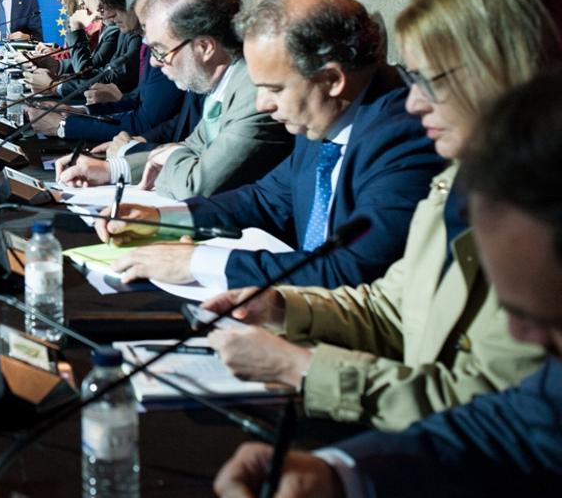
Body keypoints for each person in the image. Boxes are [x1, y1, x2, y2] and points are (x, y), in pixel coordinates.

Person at [200, 0, 558, 433]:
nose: (413, 102)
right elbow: (392, 306)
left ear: (502, 73)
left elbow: (498, 409)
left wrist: (302, 370)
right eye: (413, 79)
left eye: (430, 81)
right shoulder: (458, 180)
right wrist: (284, 306)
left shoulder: (538, 214)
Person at [213, 72, 562, 498]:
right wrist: (335, 474)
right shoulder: (456, 184)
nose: (519, 334)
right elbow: (512, 424)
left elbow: (488, 401)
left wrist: (302, 368)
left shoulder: (407, 144)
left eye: (543, 318)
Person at [97, 0, 443, 290]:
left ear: (331, 80)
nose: (263, 104)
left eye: (274, 89)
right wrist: (162, 220)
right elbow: (265, 199)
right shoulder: (323, 113)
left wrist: (196, 262)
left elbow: (351, 269)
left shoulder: (407, 137)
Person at [58, 0, 292, 199]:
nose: (154, 62)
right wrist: (111, 169)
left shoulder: (253, 93)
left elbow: (196, 184)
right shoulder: (221, 81)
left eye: (161, 50)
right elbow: (191, 147)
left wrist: (170, 157)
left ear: (204, 47)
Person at [29, 0, 186, 143]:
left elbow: (145, 121)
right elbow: (138, 101)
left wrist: (62, 126)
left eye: (110, 3)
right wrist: (79, 112)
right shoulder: (147, 39)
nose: (106, 14)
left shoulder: (167, 41)